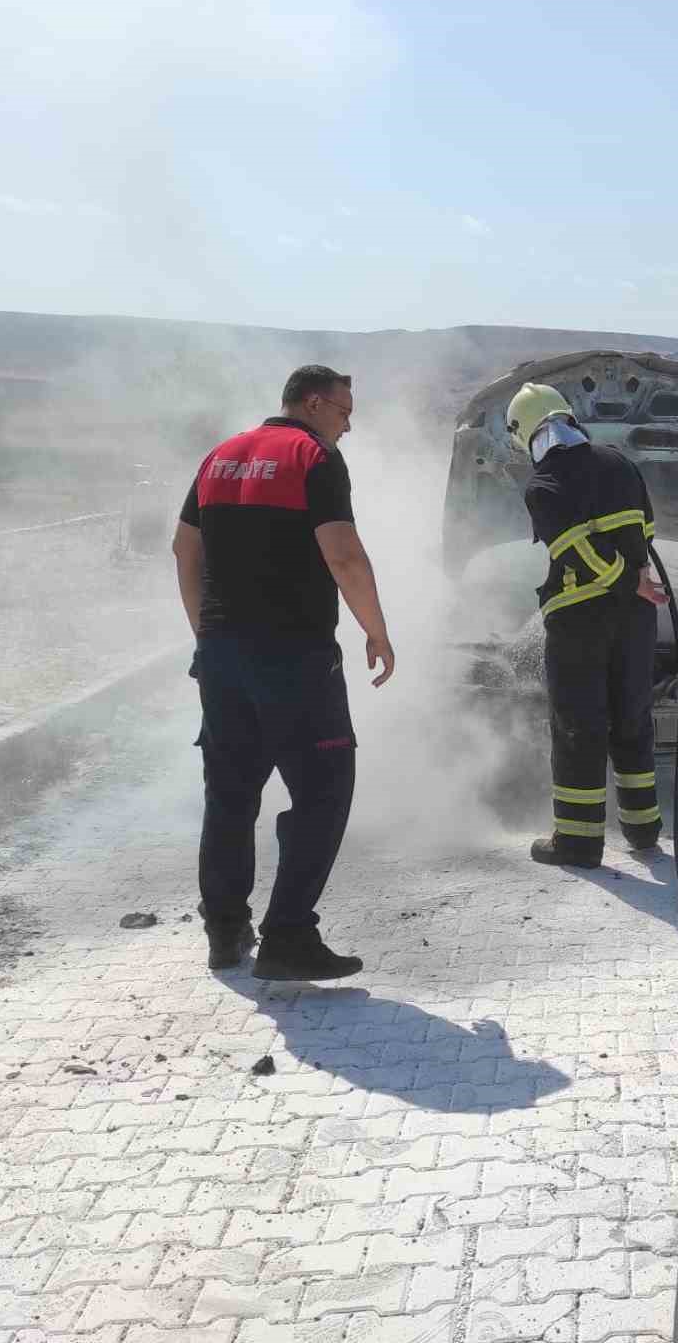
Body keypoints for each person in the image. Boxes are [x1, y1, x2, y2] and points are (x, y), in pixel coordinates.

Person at [172, 365, 395, 982]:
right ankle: (289, 935)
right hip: (294, 658)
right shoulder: (312, 456)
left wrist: (206, 631)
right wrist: (376, 630)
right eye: (345, 411)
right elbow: (343, 553)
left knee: (230, 793)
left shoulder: (221, 457)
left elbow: (184, 551)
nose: (348, 424)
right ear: (315, 404)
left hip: (221, 658)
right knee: (325, 790)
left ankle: (224, 929)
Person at [507, 382, 668, 869]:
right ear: (568, 418)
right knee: (632, 719)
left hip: (580, 622)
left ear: (526, 432)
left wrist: (623, 580)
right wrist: (638, 580)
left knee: (579, 726)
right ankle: (642, 831)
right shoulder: (619, 462)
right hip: (636, 620)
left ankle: (577, 842)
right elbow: (647, 530)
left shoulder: (544, 483)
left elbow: (575, 550)